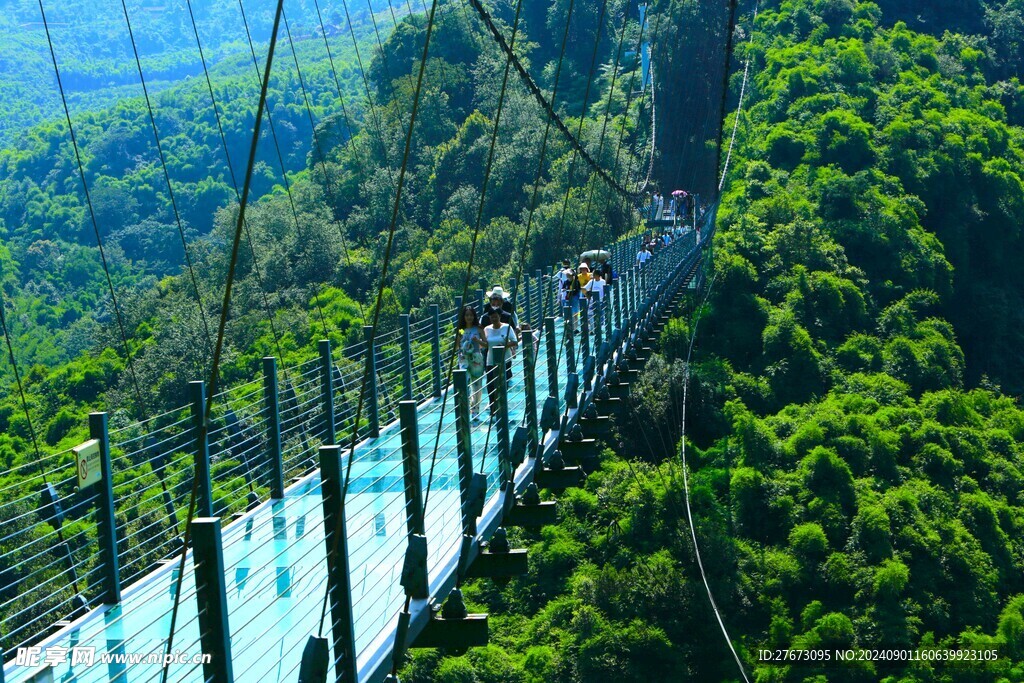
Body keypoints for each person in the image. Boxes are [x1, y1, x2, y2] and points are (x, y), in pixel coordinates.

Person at [483, 308, 518, 420]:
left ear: (499, 316)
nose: (494, 318)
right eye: (492, 317)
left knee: (503, 382)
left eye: (496, 316)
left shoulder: (507, 328)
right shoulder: (487, 329)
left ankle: (501, 405)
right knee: (490, 383)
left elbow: (515, 341)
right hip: (490, 360)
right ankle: (493, 406)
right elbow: (485, 344)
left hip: (505, 359)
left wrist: (503, 346)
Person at [455, 305, 485, 423]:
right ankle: (465, 408)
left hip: (476, 359)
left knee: (477, 386)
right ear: (464, 317)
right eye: (467, 315)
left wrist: (478, 341)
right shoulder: (461, 330)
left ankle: (475, 411)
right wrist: (459, 339)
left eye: (471, 315)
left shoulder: (478, 329)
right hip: (463, 359)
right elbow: (456, 346)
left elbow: (486, 344)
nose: (469, 317)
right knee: (464, 384)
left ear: (474, 316)